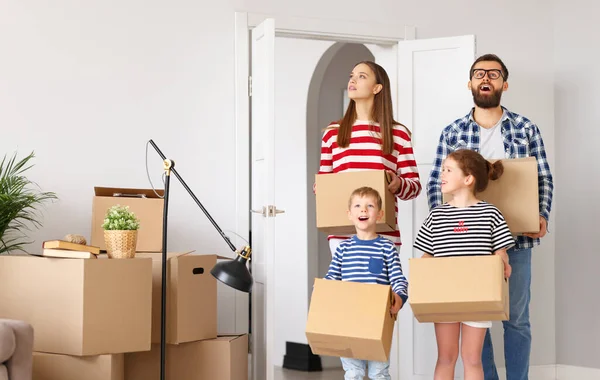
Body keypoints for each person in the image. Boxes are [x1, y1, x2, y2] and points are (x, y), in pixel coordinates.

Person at [426, 54, 554, 380]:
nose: (486, 78)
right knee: (474, 315)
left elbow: (543, 179)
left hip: (519, 240)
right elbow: (435, 186)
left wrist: (541, 214)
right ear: (470, 83)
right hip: (467, 242)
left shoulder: (526, 128)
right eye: (479, 73)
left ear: (504, 84)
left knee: (517, 320)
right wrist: (442, 230)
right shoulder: (452, 132)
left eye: (494, 74)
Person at [415, 149, 514, 380]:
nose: (442, 174)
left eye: (448, 170)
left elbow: (501, 252)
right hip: (444, 296)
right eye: (443, 170)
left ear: (468, 179)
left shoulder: (490, 213)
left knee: (472, 359)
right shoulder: (436, 215)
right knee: (446, 358)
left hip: (478, 296)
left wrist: (503, 265)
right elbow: (426, 256)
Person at [316, 60, 421, 254]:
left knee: (381, 285)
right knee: (346, 285)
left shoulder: (398, 133)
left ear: (377, 88)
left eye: (361, 76)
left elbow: (414, 187)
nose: (353, 80)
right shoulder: (332, 132)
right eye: (351, 76)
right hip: (342, 234)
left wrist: (398, 184)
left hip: (384, 234)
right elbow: (323, 181)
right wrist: (321, 188)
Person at [324, 186, 408, 380]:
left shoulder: (387, 247)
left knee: (379, 372)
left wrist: (399, 297)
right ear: (349, 214)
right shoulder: (343, 249)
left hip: (378, 320)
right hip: (348, 319)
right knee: (353, 372)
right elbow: (332, 278)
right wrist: (323, 292)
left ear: (379, 214)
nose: (363, 210)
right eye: (358, 206)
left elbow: (398, 279)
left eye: (370, 206)